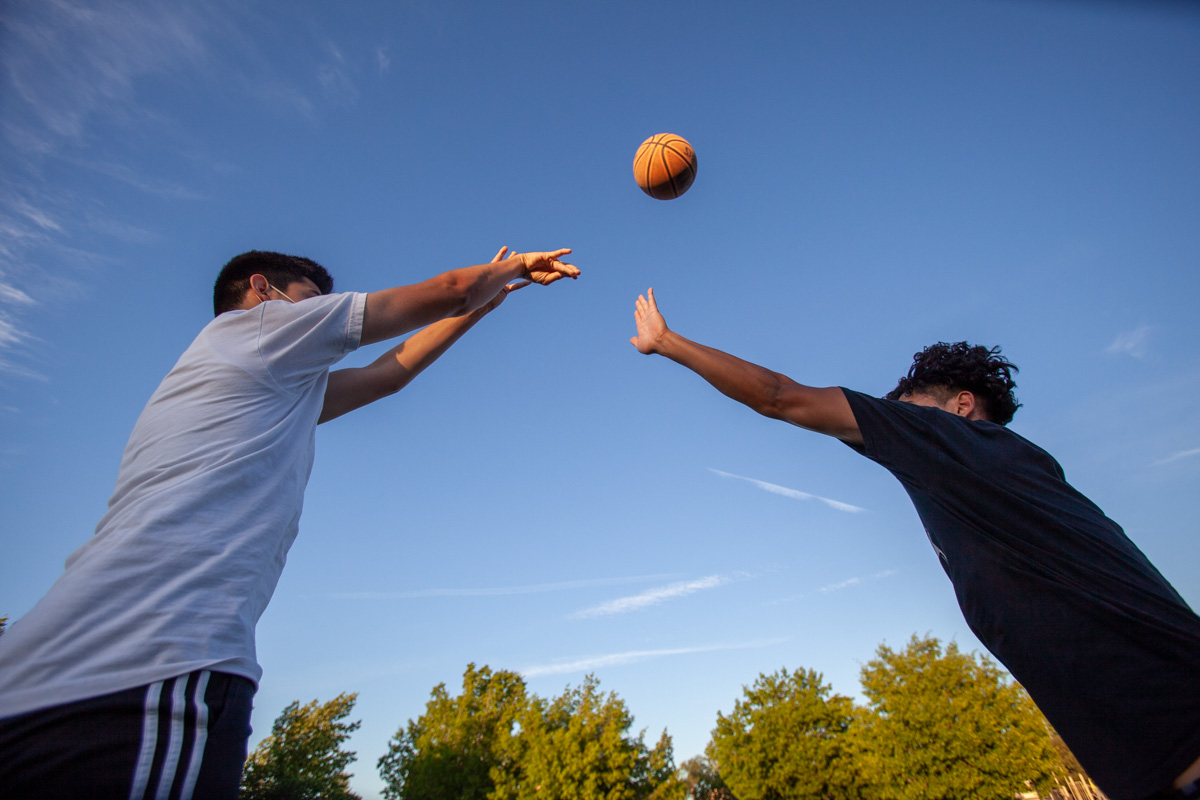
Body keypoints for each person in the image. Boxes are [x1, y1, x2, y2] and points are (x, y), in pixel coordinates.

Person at [0, 246, 580, 800]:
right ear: (263, 289)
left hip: (40, 676)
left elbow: (386, 376)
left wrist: (479, 304)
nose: (319, 310)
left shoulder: (248, 375)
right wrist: (507, 272)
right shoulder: (260, 329)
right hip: (151, 667)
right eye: (311, 296)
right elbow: (449, 290)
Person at [628, 286, 1200, 800]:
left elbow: (780, 396)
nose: (894, 422)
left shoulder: (955, 442)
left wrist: (668, 342)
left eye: (908, 406)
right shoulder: (998, 483)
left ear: (961, 405)